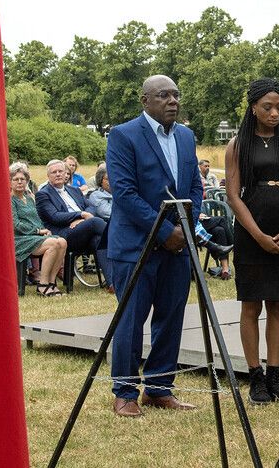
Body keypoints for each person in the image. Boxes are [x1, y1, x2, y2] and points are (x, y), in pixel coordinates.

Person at [106, 74, 204, 417]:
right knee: (130, 321)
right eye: (164, 95)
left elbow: (195, 187)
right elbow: (125, 194)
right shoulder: (123, 135)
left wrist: (184, 228)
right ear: (145, 100)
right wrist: (165, 231)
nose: (173, 101)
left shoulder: (187, 136)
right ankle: (126, 392)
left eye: (176, 95)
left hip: (177, 246)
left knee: (171, 317)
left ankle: (160, 389)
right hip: (136, 246)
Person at [225, 78, 279, 404]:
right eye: (267, 107)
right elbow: (233, 196)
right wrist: (257, 235)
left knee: (278, 305)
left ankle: (275, 377)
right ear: (253, 108)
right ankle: (255, 377)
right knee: (251, 305)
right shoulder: (237, 145)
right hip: (250, 231)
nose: (274, 113)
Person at [35, 159, 114, 290]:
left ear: (66, 172)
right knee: (95, 222)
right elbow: (54, 217)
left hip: (84, 230)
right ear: (48, 176)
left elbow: (91, 207)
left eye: (61, 171)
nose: (58, 174)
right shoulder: (43, 194)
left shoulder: (74, 190)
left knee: (98, 240)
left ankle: (112, 284)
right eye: (54, 172)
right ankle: (119, 238)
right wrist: (81, 215)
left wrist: (82, 219)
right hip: (63, 235)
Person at [10, 163, 68, 297]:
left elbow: (37, 219)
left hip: (34, 236)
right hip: (19, 239)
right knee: (53, 244)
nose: (20, 182)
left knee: (62, 242)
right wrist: (37, 231)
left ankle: (51, 283)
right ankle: (42, 285)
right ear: (10, 181)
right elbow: (16, 225)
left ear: (27, 181)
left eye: (22, 179)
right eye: (16, 179)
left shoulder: (29, 199)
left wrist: (43, 229)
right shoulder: (9, 200)